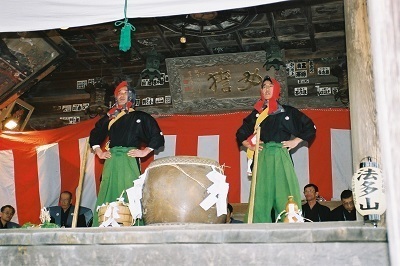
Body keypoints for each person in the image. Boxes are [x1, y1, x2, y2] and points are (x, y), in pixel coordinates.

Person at [236, 75, 316, 223]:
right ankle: (257, 230)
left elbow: (310, 126)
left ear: (277, 89)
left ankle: (289, 225)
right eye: (264, 86)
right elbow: (241, 132)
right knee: (260, 196)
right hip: (263, 155)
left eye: (270, 86)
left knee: (285, 193)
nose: (267, 89)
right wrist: (250, 145)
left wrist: (295, 141)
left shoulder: (287, 111)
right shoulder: (257, 113)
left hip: (280, 154)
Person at [89, 80, 165, 226]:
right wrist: (99, 151)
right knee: (107, 189)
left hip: (129, 158)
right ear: (115, 97)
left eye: (125, 92)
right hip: (111, 159)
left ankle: (133, 226)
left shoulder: (140, 116)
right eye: (119, 93)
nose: (122, 95)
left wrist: (145, 152)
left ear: (131, 96)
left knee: (131, 191)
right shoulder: (109, 117)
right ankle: (104, 225)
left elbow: (156, 135)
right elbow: (95, 134)